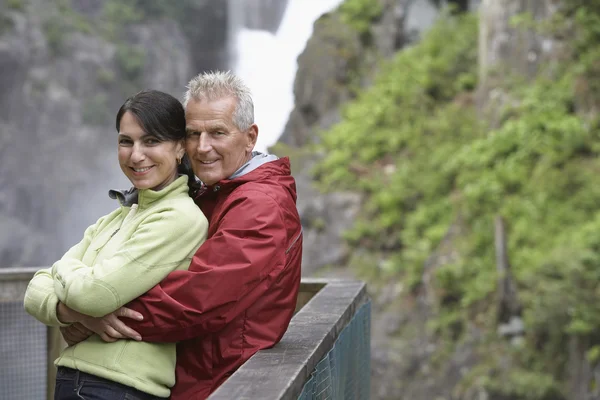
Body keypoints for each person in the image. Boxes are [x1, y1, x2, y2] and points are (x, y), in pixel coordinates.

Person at [59, 71, 304, 400]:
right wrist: (83, 307)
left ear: (250, 137)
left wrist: (94, 311)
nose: (203, 148)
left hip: (223, 383)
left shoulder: (260, 206)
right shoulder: (217, 194)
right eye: (193, 134)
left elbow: (196, 300)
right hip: (202, 376)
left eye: (217, 132)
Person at [24, 90, 209, 399]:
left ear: (179, 148)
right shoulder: (119, 216)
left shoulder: (180, 217)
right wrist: (76, 313)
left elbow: (94, 294)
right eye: (126, 141)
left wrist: (62, 270)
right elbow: (34, 290)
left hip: (118, 387)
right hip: (81, 381)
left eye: (151, 141)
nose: (136, 155)